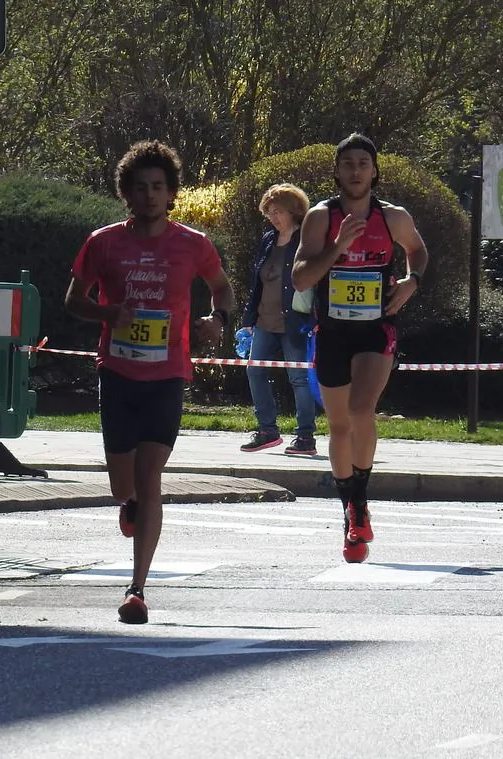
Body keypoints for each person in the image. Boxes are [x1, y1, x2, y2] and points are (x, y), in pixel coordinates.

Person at [63, 140, 236, 624]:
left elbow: (221, 286)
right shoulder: (103, 242)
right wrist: (108, 313)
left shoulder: (193, 244)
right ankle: (129, 503)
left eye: (158, 187)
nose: (150, 196)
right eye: (140, 188)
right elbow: (73, 301)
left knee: (150, 475)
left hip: (168, 374)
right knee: (125, 483)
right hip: (117, 373)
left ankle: (136, 588)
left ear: (171, 192)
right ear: (128, 194)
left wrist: (217, 318)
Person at [291, 133, 429, 564]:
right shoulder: (320, 217)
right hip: (331, 331)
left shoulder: (394, 217)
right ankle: (349, 508)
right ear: (337, 171)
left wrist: (411, 281)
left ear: (374, 171)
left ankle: (360, 501)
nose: (355, 171)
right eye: (347, 163)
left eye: (363, 163)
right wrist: (338, 248)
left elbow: (418, 251)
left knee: (360, 410)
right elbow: (299, 279)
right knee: (338, 426)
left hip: (376, 329)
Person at [239, 183, 318, 455]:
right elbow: (256, 283)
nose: (273, 217)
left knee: (299, 378)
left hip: (296, 321)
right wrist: (248, 319)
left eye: (278, 211)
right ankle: (267, 431)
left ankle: (306, 437)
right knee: (254, 370)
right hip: (264, 320)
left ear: (294, 211)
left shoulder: (306, 240)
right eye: (269, 212)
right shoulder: (268, 240)